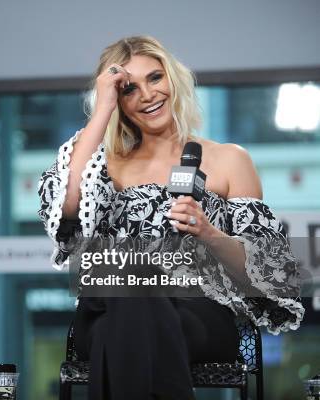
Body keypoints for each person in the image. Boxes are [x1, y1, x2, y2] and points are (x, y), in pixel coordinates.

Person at [38, 36, 304, 399]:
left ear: (173, 80)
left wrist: (209, 233)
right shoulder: (104, 165)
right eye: (129, 89)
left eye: (155, 78)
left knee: (121, 324)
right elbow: (66, 208)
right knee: (128, 282)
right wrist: (101, 112)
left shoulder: (228, 159)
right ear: (117, 100)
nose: (147, 95)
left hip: (197, 317)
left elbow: (264, 271)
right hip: (108, 309)